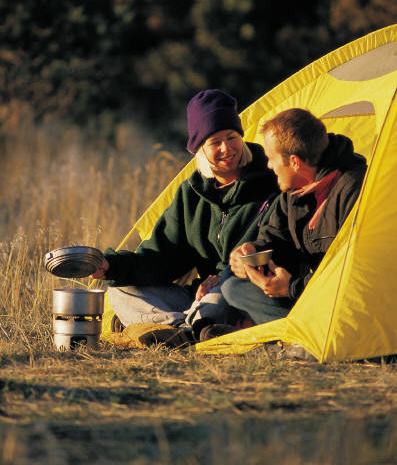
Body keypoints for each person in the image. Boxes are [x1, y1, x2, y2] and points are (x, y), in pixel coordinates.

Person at [92, 89, 279, 346]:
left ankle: (177, 328)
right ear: (200, 148)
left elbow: (276, 248)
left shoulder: (272, 180)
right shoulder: (192, 193)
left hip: (244, 291)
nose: (227, 148)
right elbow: (161, 258)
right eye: (215, 142)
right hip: (200, 296)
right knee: (120, 291)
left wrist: (221, 279)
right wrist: (112, 266)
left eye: (232, 137)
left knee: (218, 298)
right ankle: (187, 329)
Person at [223, 107, 367, 326]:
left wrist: (292, 287)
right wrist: (252, 254)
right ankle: (298, 332)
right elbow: (276, 239)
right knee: (232, 285)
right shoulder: (292, 193)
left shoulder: (354, 190)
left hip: (346, 303)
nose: (269, 165)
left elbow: (354, 275)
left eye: (271, 158)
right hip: (307, 297)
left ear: (295, 162)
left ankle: (302, 335)